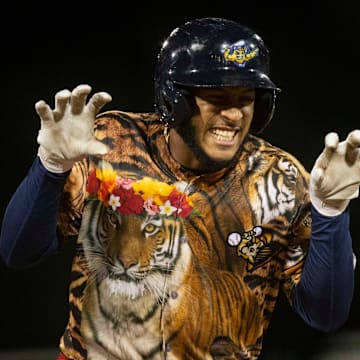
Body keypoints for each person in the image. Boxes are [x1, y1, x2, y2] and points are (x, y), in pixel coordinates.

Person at [0, 17, 359, 360]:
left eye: (246, 98)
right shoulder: (107, 142)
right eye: (217, 98)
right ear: (176, 99)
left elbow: (324, 314)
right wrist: (51, 166)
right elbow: (19, 252)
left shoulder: (280, 179)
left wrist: (331, 211)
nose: (234, 115)